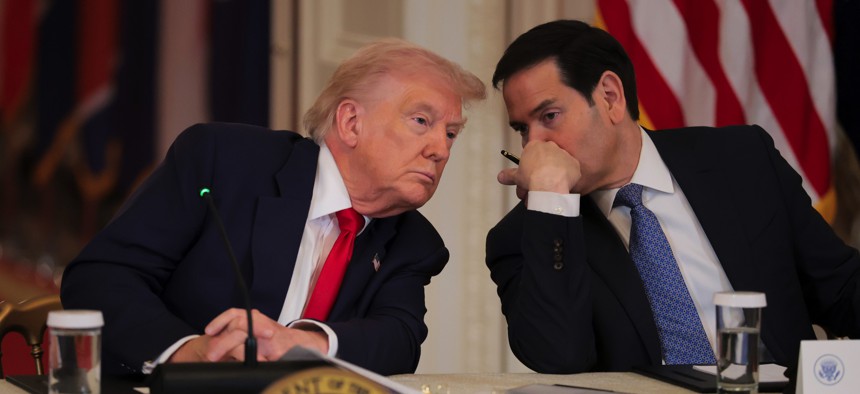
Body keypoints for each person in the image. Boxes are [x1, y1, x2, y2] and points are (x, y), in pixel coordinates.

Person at [61, 38, 486, 378]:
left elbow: (400, 337)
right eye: (421, 122)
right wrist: (187, 351)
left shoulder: (414, 241)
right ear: (351, 122)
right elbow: (101, 277)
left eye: (451, 133)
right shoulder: (222, 160)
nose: (440, 150)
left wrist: (300, 343)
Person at [486, 19, 860, 376]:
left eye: (549, 116)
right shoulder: (522, 237)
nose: (534, 145)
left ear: (610, 97)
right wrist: (552, 202)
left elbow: (841, 289)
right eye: (523, 129)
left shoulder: (742, 160)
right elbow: (558, 357)